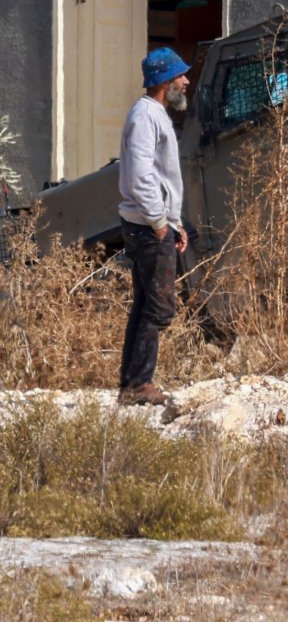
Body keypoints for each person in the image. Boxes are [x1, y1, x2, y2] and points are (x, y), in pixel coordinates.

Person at [116, 47, 191, 406]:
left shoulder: (154, 114)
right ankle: (138, 385)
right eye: (181, 76)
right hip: (148, 227)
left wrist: (174, 223)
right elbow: (141, 174)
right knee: (159, 308)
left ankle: (132, 385)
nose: (186, 81)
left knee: (146, 302)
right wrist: (160, 223)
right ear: (165, 81)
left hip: (154, 224)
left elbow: (161, 176)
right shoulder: (146, 116)